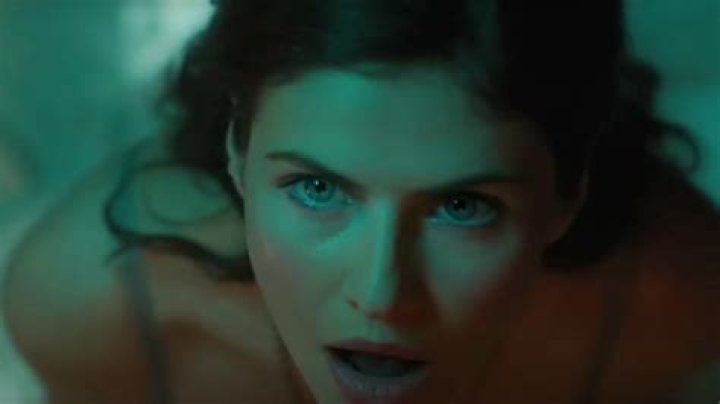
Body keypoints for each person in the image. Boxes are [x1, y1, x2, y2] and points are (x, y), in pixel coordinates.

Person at [4, 0, 719, 403]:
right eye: (317, 190)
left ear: (568, 194)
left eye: (463, 206)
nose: (382, 295)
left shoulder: (676, 305)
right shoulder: (89, 303)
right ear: (237, 154)